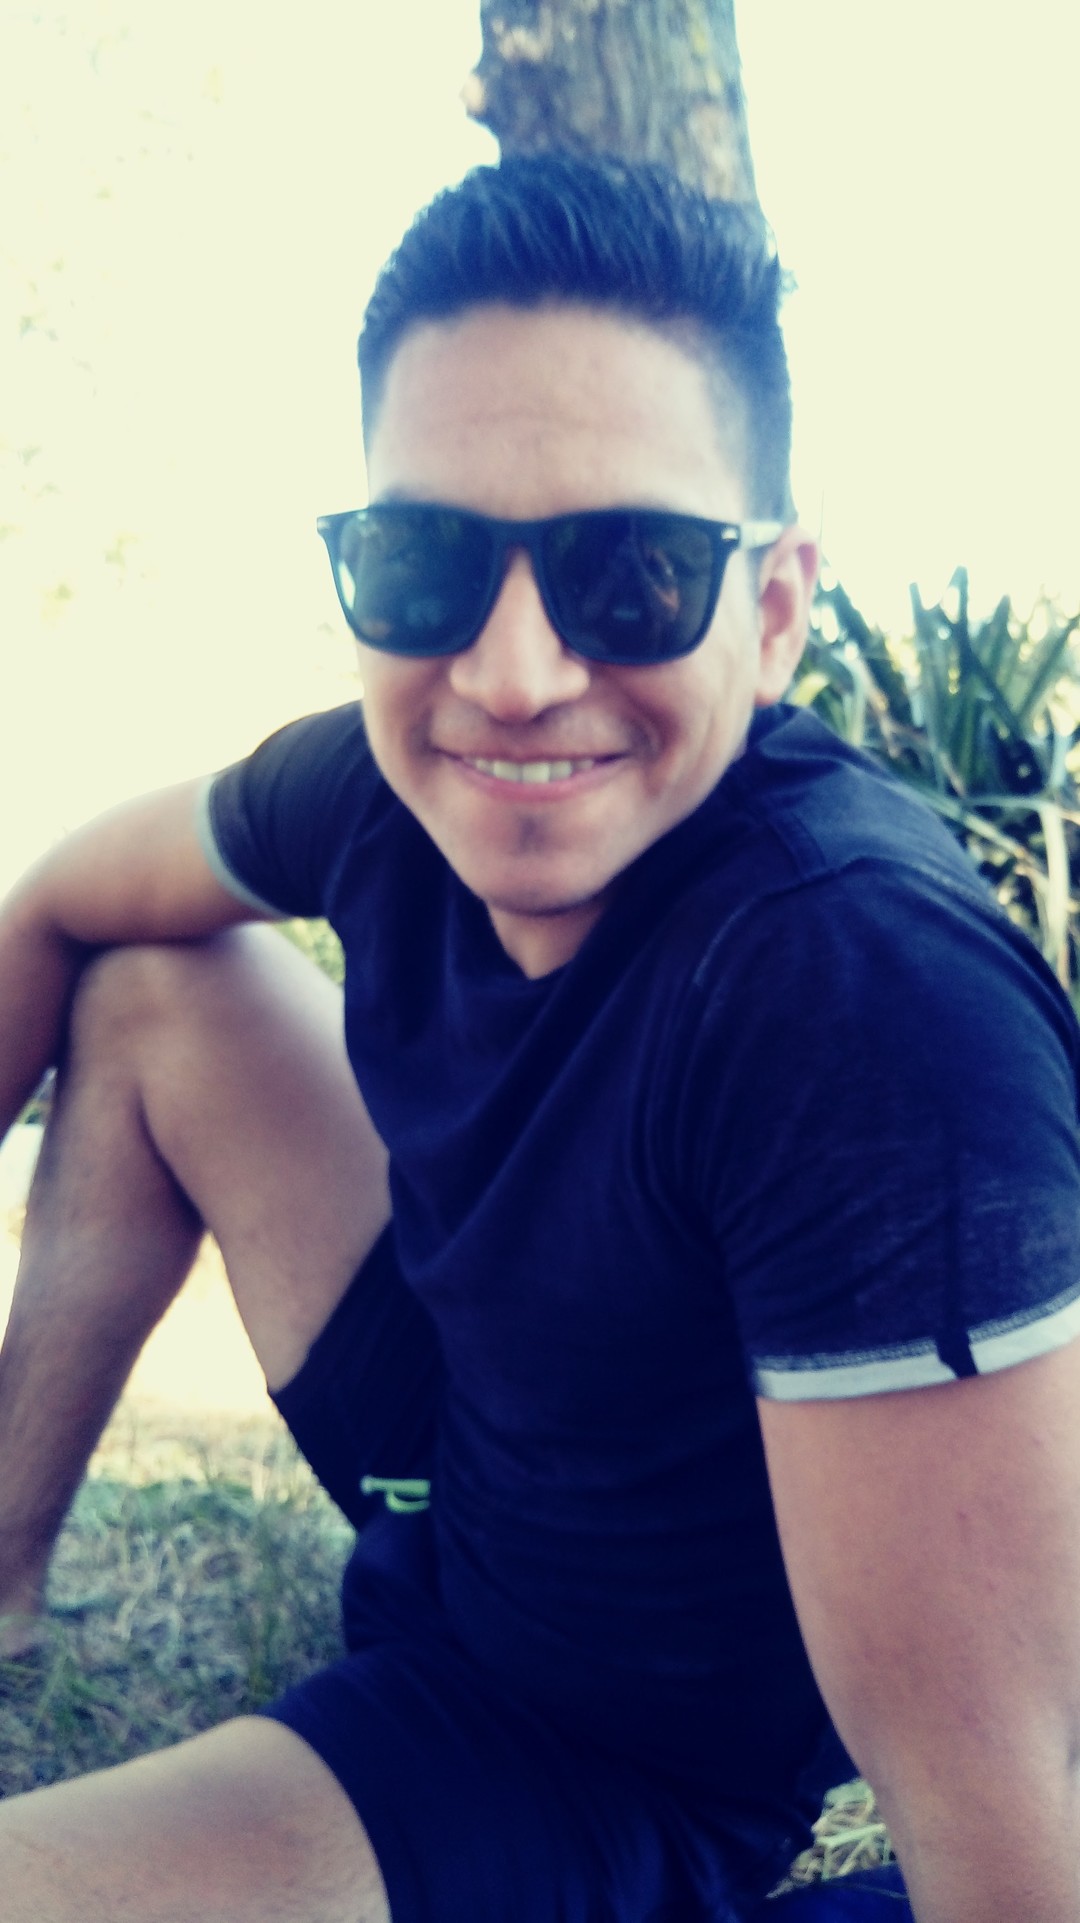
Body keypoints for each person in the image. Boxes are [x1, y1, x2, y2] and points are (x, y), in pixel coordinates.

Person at [0, 152, 1079, 1923]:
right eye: (421, 563)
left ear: (775, 613)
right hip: (463, 1458)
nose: (509, 676)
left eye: (631, 574)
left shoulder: (857, 997)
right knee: (154, 986)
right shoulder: (378, 782)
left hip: (584, 1749)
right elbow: (53, 900)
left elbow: (1014, 1836)